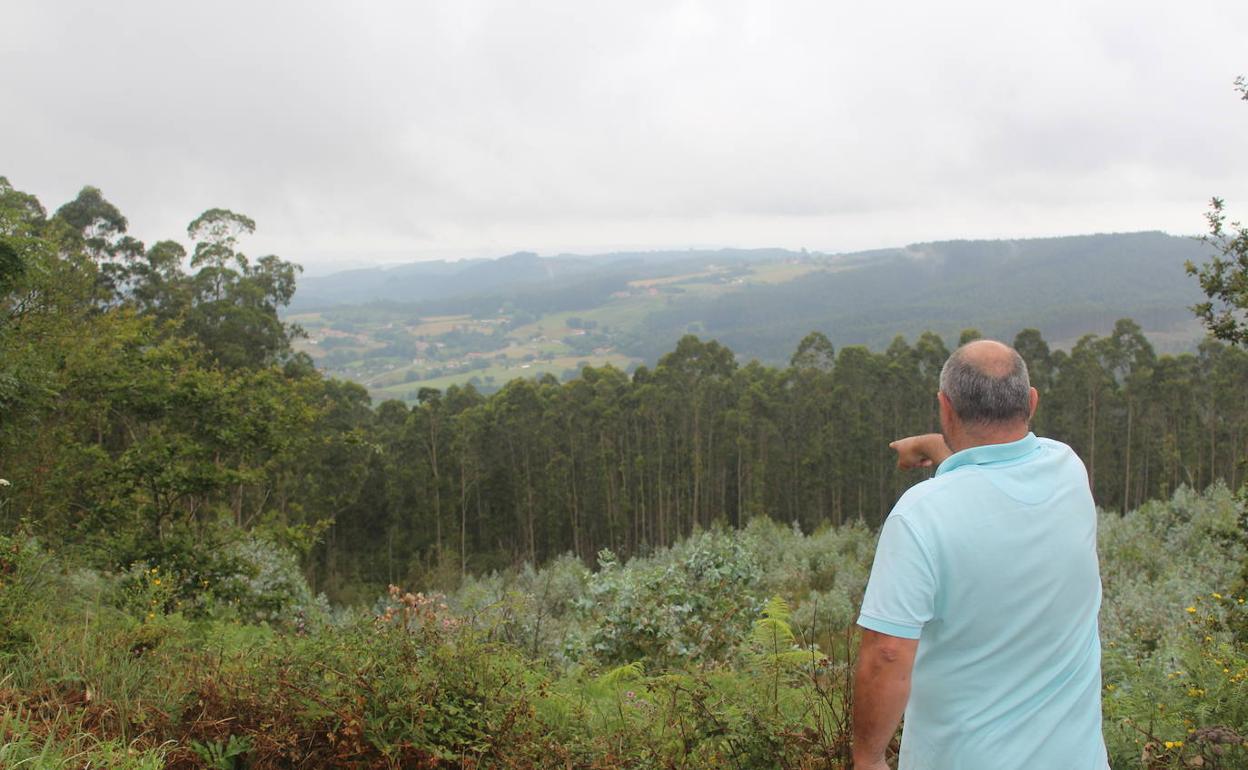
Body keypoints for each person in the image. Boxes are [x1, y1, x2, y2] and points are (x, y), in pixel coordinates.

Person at [852, 339, 1108, 770]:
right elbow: (996, 472)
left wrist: (868, 759)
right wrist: (936, 446)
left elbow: (887, 654)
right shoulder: (1068, 468)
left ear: (945, 407)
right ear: (1031, 402)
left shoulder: (921, 515)